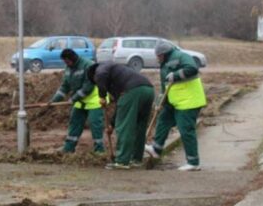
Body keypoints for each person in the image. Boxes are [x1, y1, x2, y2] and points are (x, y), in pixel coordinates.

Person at [144, 41, 207, 171]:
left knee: (186, 130)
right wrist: (159, 103)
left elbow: (192, 68)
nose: (157, 58)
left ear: (164, 54)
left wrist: (176, 75)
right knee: (163, 120)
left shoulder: (181, 56)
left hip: (189, 101)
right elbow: (164, 87)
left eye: (158, 56)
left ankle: (193, 162)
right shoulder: (164, 64)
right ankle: (156, 149)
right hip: (174, 101)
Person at [87, 62, 155, 170]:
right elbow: (120, 106)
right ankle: (136, 159)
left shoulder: (101, 68)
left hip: (132, 91)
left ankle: (122, 161)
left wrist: (102, 96)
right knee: (139, 127)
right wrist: (112, 125)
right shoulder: (118, 75)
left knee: (125, 128)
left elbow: (100, 76)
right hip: (148, 90)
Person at [49, 48, 105, 153]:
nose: (66, 64)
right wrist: (54, 100)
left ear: (72, 58)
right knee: (75, 122)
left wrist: (73, 99)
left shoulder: (88, 65)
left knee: (95, 124)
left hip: (94, 99)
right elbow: (64, 86)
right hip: (80, 100)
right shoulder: (69, 68)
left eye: (66, 61)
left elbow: (88, 87)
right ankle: (69, 148)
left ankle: (99, 150)